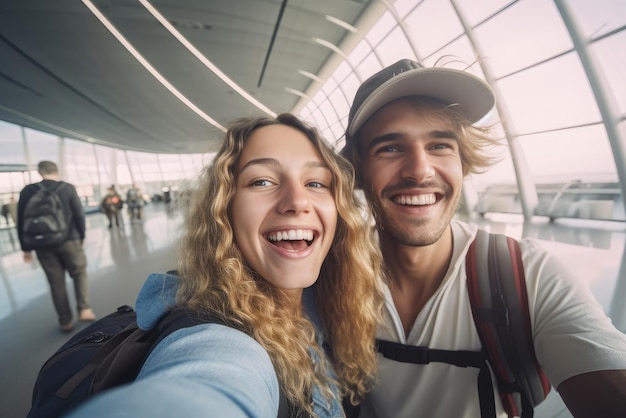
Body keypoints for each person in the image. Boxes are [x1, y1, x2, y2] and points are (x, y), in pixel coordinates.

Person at [340, 59, 626, 417]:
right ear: (358, 170)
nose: (419, 170)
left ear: (464, 162)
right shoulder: (330, 272)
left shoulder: (524, 275)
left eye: (440, 146)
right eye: (390, 148)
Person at [65, 113, 385, 417]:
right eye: (261, 181)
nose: (297, 201)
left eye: (316, 183)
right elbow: (208, 382)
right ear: (225, 210)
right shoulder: (216, 337)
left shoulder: (329, 300)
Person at [17, 161, 95, 332]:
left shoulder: (28, 191)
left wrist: (26, 248)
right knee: (79, 273)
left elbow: (21, 220)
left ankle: (65, 321)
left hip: (42, 244)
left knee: (56, 282)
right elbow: (79, 215)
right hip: (69, 240)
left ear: (40, 172)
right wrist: (81, 236)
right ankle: (84, 309)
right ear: (56, 171)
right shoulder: (66, 188)